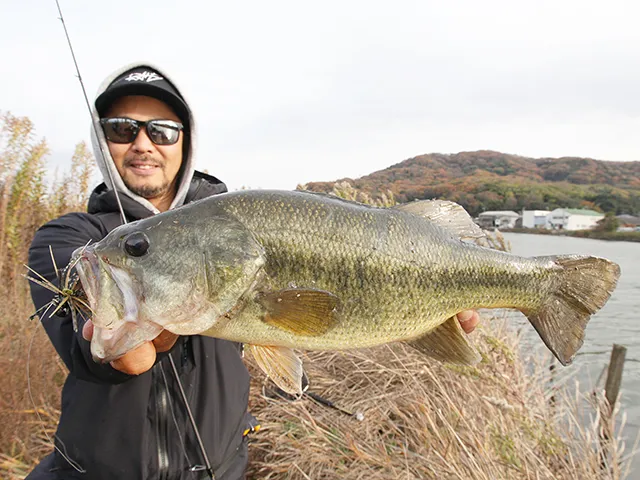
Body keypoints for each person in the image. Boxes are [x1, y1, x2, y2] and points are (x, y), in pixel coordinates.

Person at [27, 63, 481, 480]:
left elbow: (316, 316)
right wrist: (131, 334)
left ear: (186, 141)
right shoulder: (69, 237)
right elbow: (102, 353)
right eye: (122, 128)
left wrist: (428, 310)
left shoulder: (226, 227)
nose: (143, 143)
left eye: (163, 130)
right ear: (100, 140)